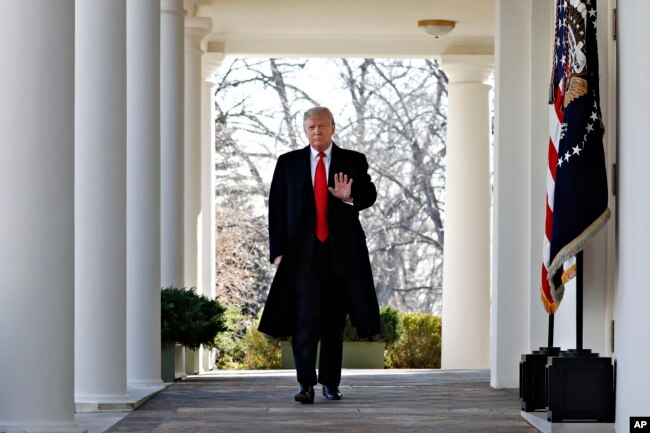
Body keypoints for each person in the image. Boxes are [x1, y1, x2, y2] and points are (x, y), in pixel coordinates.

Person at [258, 106, 381, 404]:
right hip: (302, 257)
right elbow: (276, 208)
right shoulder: (288, 163)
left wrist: (348, 196)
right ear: (305, 130)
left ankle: (330, 382)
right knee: (305, 320)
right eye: (312, 127)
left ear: (333, 128)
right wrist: (277, 252)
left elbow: (370, 194)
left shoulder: (353, 160)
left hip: (341, 257)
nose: (317, 132)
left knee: (333, 323)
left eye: (322, 126)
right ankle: (305, 384)